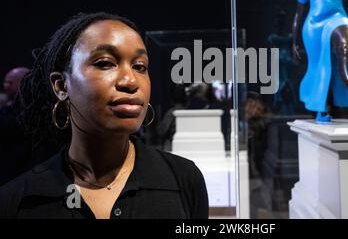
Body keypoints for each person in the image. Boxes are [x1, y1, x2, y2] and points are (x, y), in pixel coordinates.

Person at [0, 12, 209, 219]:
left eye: (140, 66)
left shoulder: (184, 180)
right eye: (105, 63)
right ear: (61, 85)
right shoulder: (17, 201)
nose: (130, 80)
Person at [0, 67, 31, 186]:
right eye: (5, 82)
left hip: (19, 167)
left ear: (22, 82)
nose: (5, 85)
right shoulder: (8, 106)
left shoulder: (29, 108)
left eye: (10, 82)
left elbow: (9, 128)